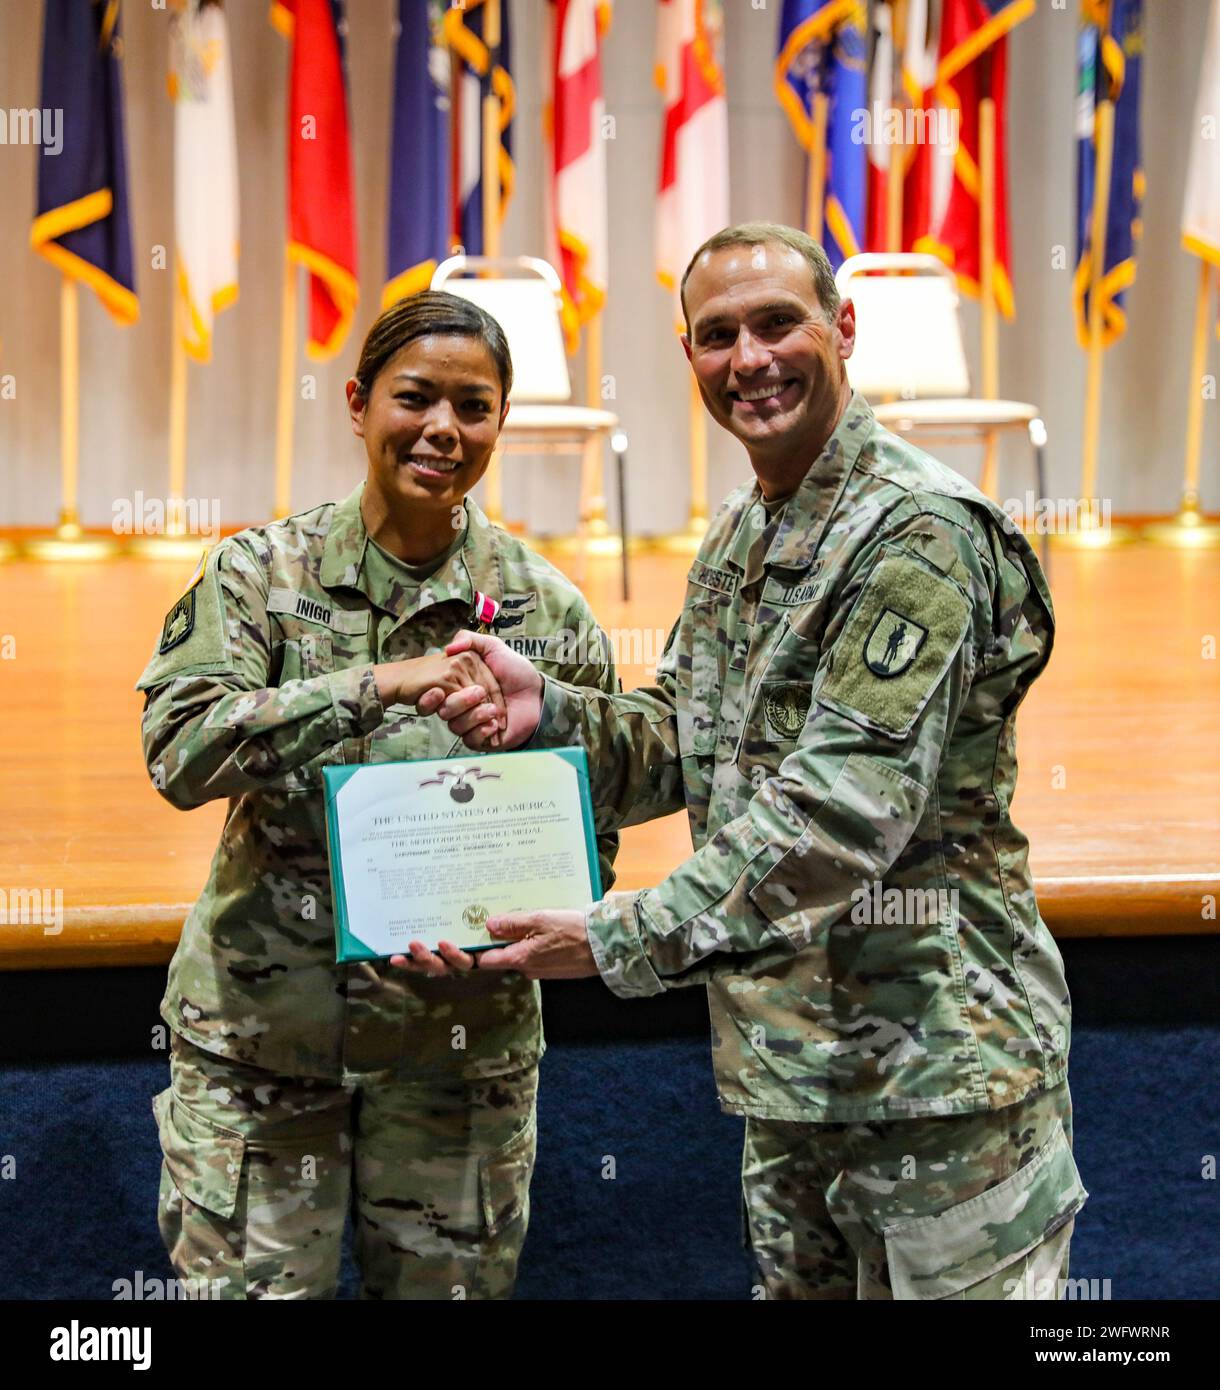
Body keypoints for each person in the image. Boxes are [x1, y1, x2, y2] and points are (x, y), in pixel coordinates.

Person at [415, 223, 1087, 1300]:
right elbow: (689, 739)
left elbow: (837, 817)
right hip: (794, 1079)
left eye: (778, 323)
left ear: (842, 328)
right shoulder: (742, 530)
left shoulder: (916, 533)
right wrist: (553, 715)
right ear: (689, 355)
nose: (750, 358)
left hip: (937, 1082)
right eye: (717, 334)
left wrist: (615, 936)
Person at [137, 290, 619, 1300]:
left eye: (473, 406)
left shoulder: (548, 611)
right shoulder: (258, 575)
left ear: (497, 424)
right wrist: (369, 685)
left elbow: (589, 835)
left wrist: (510, 930)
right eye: (415, 396)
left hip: (459, 1048)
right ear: (356, 404)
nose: (443, 428)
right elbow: (179, 753)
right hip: (263, 1044)